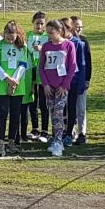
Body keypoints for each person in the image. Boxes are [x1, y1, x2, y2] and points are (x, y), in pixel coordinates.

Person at [0, 20, 30, 156]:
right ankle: (1, 143)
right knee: (2, 114)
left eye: (12, 37)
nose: (9, 39)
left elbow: (23, 65)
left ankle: (12, 142)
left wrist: (14, 81)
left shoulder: (22, 47)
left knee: (15, 115)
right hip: (2, 85)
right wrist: (7, 79)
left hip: (17, 85)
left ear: (17, 34)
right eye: (7, 36)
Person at [39, 20, 76, 157]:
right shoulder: (46, 46)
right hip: (49, 86)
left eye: (51, 32)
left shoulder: (68, 45)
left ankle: (59, 141)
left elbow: (72, 66)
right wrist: (45, 85)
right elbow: (41, 67)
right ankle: (55, 138)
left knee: (59, 114)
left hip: (62, 86)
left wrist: (65, 85)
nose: (49, 35)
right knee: (52, 112)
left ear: (59, 31)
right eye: (47, 33)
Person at [62, 17, 86, 148]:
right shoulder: (58, 42)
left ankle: (70, 133)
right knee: (61, 109)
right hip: (60, 81)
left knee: (72, 108)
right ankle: (61, 132)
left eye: (64, 28)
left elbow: (81, 64)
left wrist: (82, 83)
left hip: (74, 81)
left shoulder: (77, 43)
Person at [26, 12, 49, 142]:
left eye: (41, 24)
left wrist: (42, 49)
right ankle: (35, 128)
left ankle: (45, 130)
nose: (39, 26)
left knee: (43, 102)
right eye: (37, 23)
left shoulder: (47, 36)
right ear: (33, 23)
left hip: (43, 71)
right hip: (31, 70)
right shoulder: (29, 35)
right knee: (32, 100)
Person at [71, 16, 92, 145]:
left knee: (81, 107)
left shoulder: (84, 41)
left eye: (80, 26)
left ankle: (82, 132)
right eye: (76, 26)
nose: (78, 29)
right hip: (69, 79)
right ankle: (70, 131)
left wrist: (87, 79)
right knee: (70, 107)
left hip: (81, 78)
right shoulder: (67, 41)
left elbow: (88, 61)